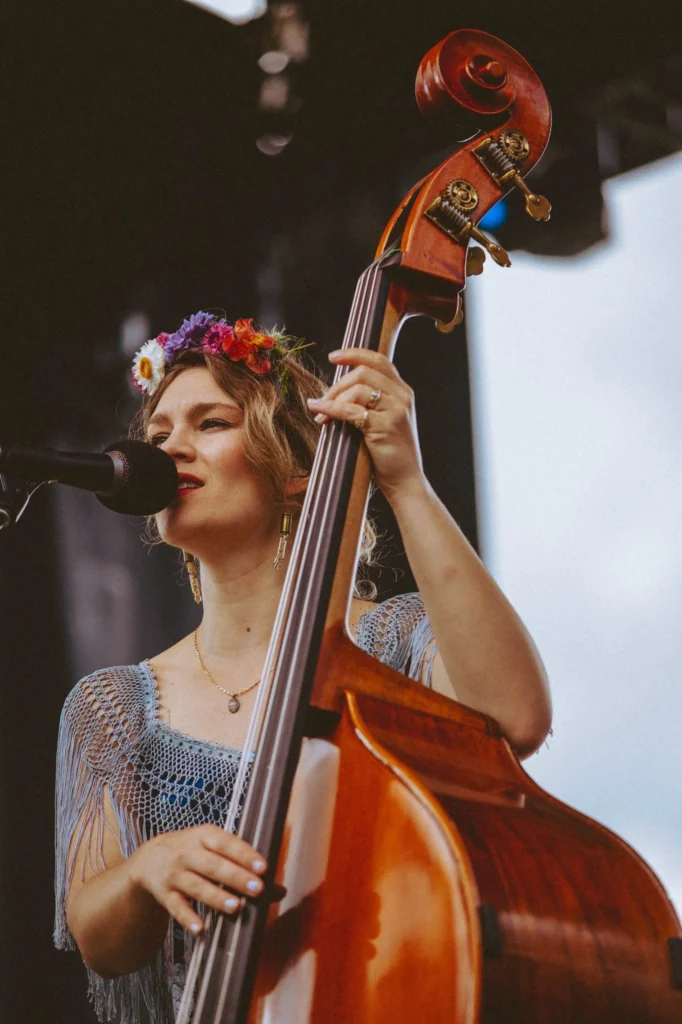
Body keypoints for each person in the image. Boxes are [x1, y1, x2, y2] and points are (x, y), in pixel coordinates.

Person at [54, 311, 552, 1023]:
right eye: (158, 435)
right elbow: (98, 939)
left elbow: (516, 717)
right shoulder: (111, 705)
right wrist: (145, 869)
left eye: (211, 424)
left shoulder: (390, 639)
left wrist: (404, 479)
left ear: (296, 473)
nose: (170, 451)